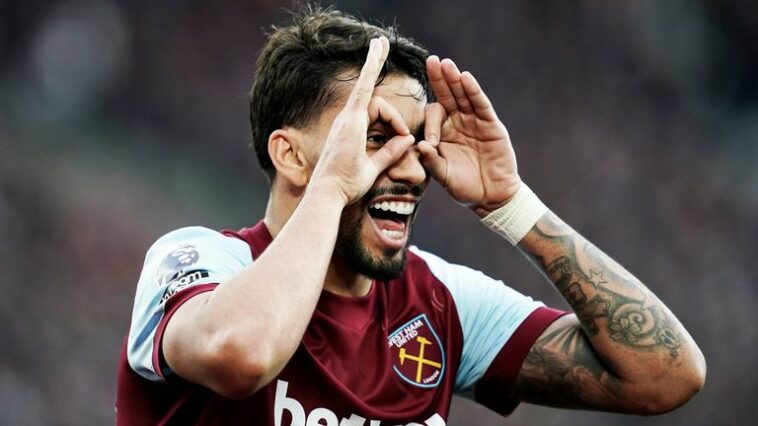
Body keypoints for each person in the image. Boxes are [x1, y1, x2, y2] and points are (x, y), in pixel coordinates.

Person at [115, 5, 705, 425]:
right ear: (290, 154)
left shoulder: (441, 302)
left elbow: (664, 376)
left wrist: (509, 204)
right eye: (376, 136)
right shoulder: (198, 261)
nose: (413, 167)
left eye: (419, 140)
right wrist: (333, 187)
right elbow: (244, 354)